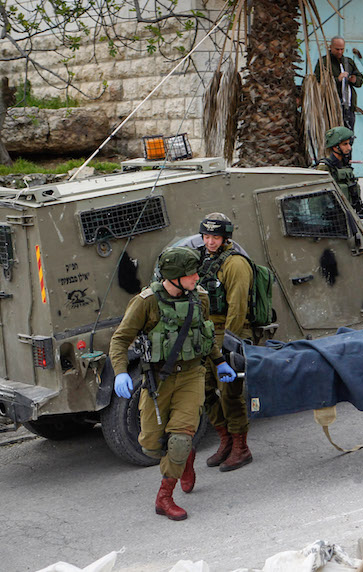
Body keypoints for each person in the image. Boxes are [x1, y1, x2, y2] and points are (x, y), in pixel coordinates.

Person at [109, 247, 236, 520]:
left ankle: (164, 497)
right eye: (190, 274)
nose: (196, 278)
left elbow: (205, 334)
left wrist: (219, 361)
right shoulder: (146, 302)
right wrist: (120, 371)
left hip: (192, 375)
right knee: (151, 445)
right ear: (174, 277)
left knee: (179, 438)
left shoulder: (199, 297)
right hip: (158, 380)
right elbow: (120, 340)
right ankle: (184, 459)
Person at [196, 213, 255, 472]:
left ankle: (241, 447)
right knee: (205, 390)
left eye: (215, 237)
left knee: (230, 393)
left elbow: (238, 306)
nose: (210, 242)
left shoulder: (236, 265)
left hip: (226, 333)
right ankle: (226, 440)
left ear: (225, 237)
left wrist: (229, 344)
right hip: (206, 334)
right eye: (206, 237)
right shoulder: (203, 260)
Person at [314, 36, 363, 131]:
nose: (340, 52)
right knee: (332, 135)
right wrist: (337, 79)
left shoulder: (348, 62)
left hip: (348, 106)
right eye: (337, 49)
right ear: (330, 47)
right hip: (331, 107)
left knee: (349, 136)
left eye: (342, 49)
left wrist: (354, 79)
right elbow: (318, 81)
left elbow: (360, 79)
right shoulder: (324, 62)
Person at [316, 126, 363, 214]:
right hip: (333, 216)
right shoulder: (325, 167)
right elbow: (318, 199)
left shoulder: (345, 165)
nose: (349, 148)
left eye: (349, 144)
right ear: (335, 147)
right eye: (345, 144)